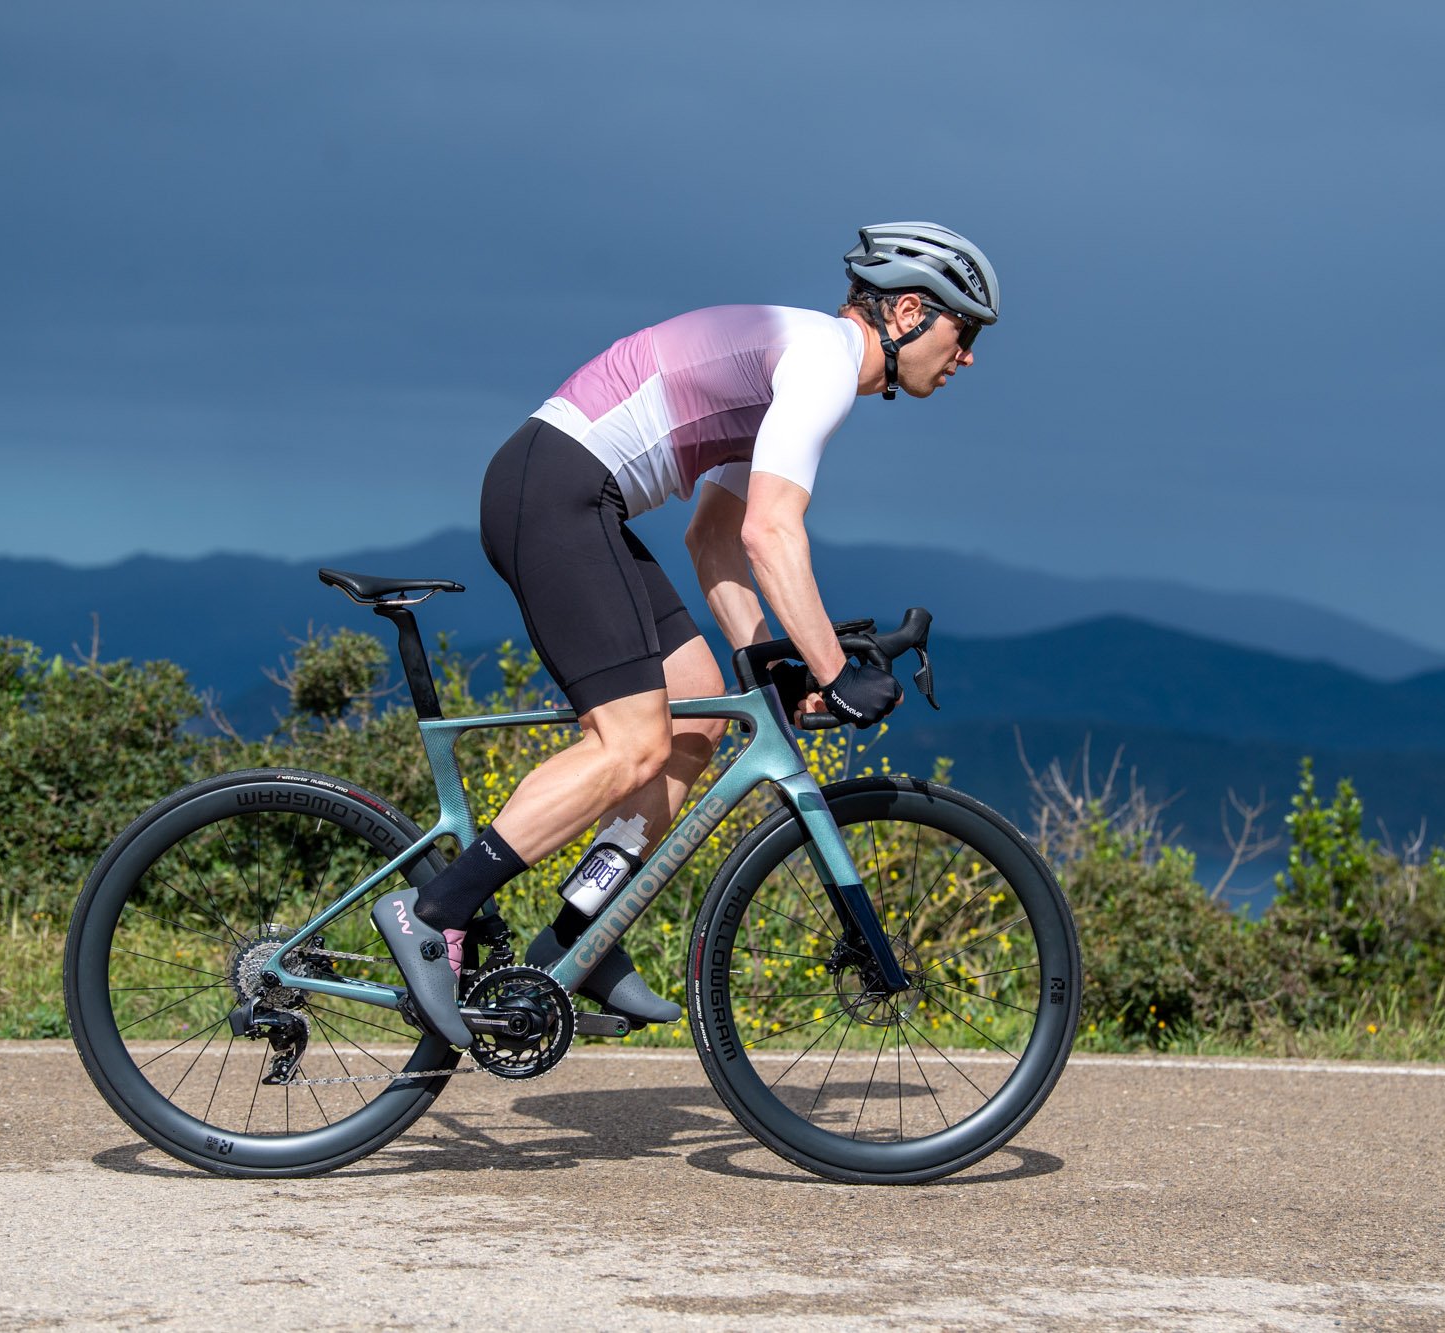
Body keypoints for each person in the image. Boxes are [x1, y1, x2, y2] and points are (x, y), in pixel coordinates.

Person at [374, 222, 1000, 1048]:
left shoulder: (801, 363)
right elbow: (771, 534)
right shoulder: (822, 362)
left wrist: (770, 667)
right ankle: (433, 912)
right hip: (560, 491)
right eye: (965, 331)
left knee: (699, 714)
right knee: (631, 745)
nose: (967, 358)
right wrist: (833, 668)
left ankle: (580, 932)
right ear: (911, 312)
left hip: (569, 493)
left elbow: (714, 539)